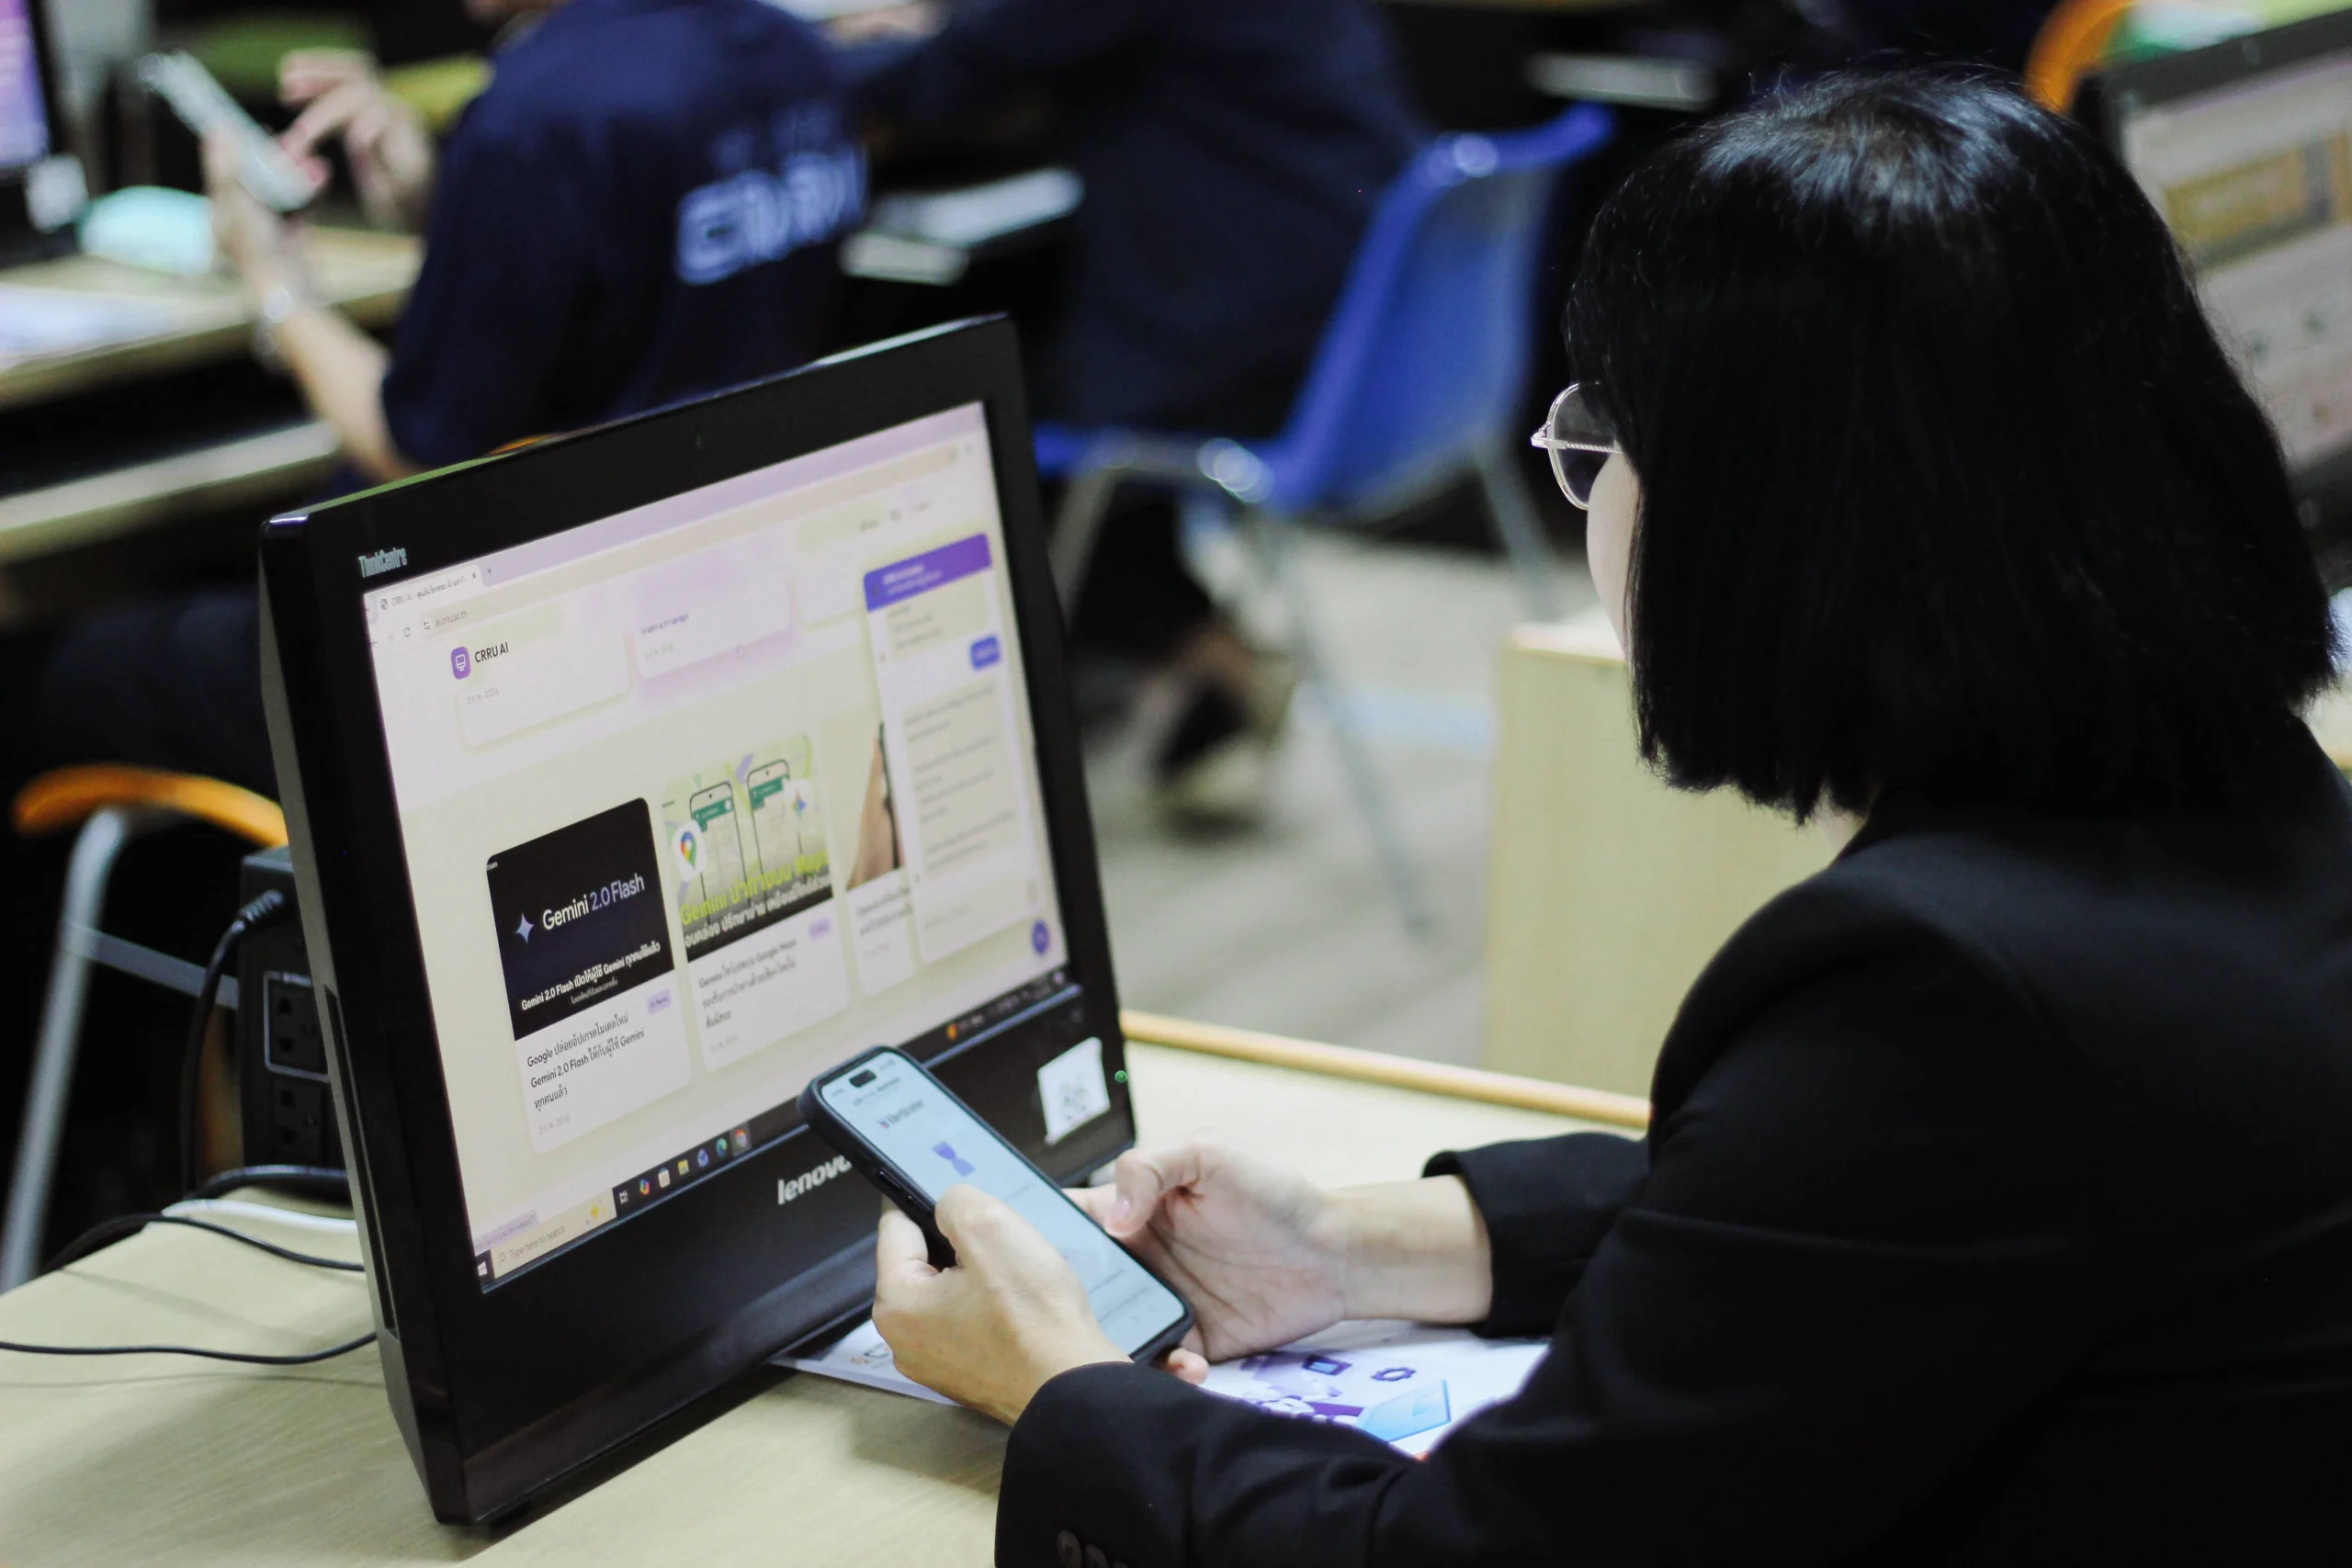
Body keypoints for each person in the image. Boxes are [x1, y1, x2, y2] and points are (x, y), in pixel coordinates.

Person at [861, 71, 2352, 1562]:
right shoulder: (2245, 796)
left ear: (1747, 519)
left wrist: (1064, 1382)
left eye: (1604, 440)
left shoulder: (1947, 987)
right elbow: (1831, 1217)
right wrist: (1346, 1245)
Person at [34, 0, 864, 795]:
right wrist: (445, 194)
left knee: (58, 669)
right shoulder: (790, 54)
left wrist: (272, 278)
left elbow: (414, 448)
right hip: (714, 608)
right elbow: (630, 290)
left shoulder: (534, 112)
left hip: (482, 649)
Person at [838, 0, 1421, 812]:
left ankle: (1192, 655)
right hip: (1352, 299)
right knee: (1062, 372)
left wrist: (792, 61)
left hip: (1256, 319)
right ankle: (1201, 658)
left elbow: (944, 76)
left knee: (964, 421)